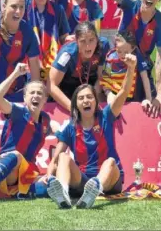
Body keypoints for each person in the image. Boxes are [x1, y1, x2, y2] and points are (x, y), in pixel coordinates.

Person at [47, 56, 134, 209]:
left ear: (95, 101)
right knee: (63, 156)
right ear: (76, 105)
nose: (86, 101)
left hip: (110, 181)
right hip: (83, 180)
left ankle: (95, 189)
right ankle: (63, 194)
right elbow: (56, 160)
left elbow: (123, 92)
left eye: (89, 97)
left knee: (110, 162)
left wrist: (131, 68)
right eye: (81, 98)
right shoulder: (70, 127)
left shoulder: (106, 116)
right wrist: (48, 177)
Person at [0, 68, 51, 203]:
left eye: (39, 93)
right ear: (25, 97)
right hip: (7, 169)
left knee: (50, 182)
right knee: (16, 155)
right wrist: (15, 74)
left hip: (26, 173)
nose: (35, 96)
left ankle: (12, 194)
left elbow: (62, 136)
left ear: (45, 99)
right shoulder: (18, 111)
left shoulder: (46, 120)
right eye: (32, 93)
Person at [1, 0, 70, 81]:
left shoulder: (58, 9)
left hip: (51, 68)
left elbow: (63, 37)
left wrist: (69, 39)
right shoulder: (23, 3)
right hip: (26, 66)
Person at [48, 22, 110, 111]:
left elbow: (101, 76)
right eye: (83, 41)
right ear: (76, 41)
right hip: (67, 86)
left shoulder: (104, 46)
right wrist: (73, 109)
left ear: (97, 39)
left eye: (91, 40)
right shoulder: (67, 54)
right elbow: (51, 85)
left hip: (92, 83)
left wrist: (93, 100)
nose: (88, 46)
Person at [100, 31, 155, 114]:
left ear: (133, 49)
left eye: (126, 52)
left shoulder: (137, 56)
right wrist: (109, 94)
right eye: (119, 51)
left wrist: (148, 99)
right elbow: (105, 79)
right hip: (115, 95)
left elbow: (145, 77)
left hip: (132, 96)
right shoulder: (111, 57)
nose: (122, 55)